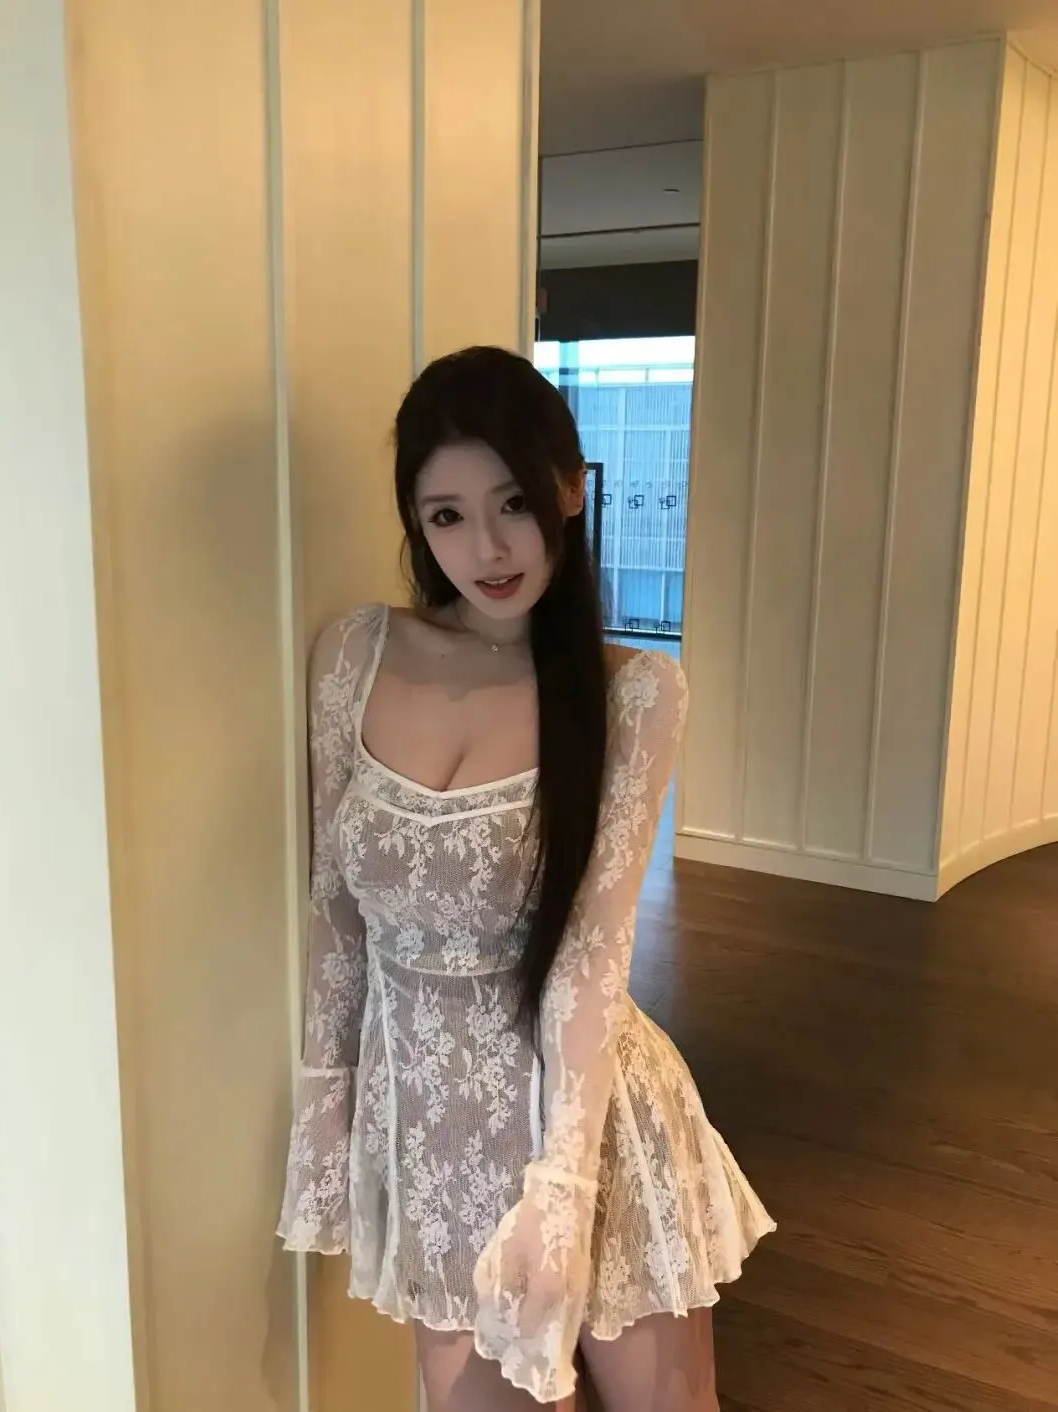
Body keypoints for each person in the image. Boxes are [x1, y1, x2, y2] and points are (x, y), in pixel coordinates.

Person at [277, 346, 774, 1411]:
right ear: (416, 524)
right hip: (432, 1137)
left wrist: (564, 1183)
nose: (489, 548)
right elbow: (334, 913)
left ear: (569, 489)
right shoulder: (353, 655)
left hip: (589, 1121)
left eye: (512, 502)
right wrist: (324, 1107)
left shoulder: (634, 692)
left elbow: (592, 953)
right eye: (447, 515)